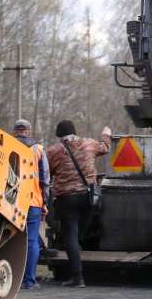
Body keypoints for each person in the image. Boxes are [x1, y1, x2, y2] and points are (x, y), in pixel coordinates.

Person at [47, 119, 111, 287]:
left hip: (66, 199)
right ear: (75, 131)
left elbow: (49, 172)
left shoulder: (53, 151)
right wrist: (106, 134)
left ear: (59, 136)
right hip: (88, 197)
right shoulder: (89, 144)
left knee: (71, 238)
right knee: (79, 234)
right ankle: (78, 248)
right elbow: (105, 147)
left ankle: (78, 278)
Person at [13, 119, 50, 290]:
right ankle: (29, 281)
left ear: (15, 131)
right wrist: (45, 202)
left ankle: (11, 280)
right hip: (33, 201)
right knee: (32, 240)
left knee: (11, 240)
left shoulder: (7, 146)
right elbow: (45, 179)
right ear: (28, 131)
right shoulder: (38, 149)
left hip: (10, 202)